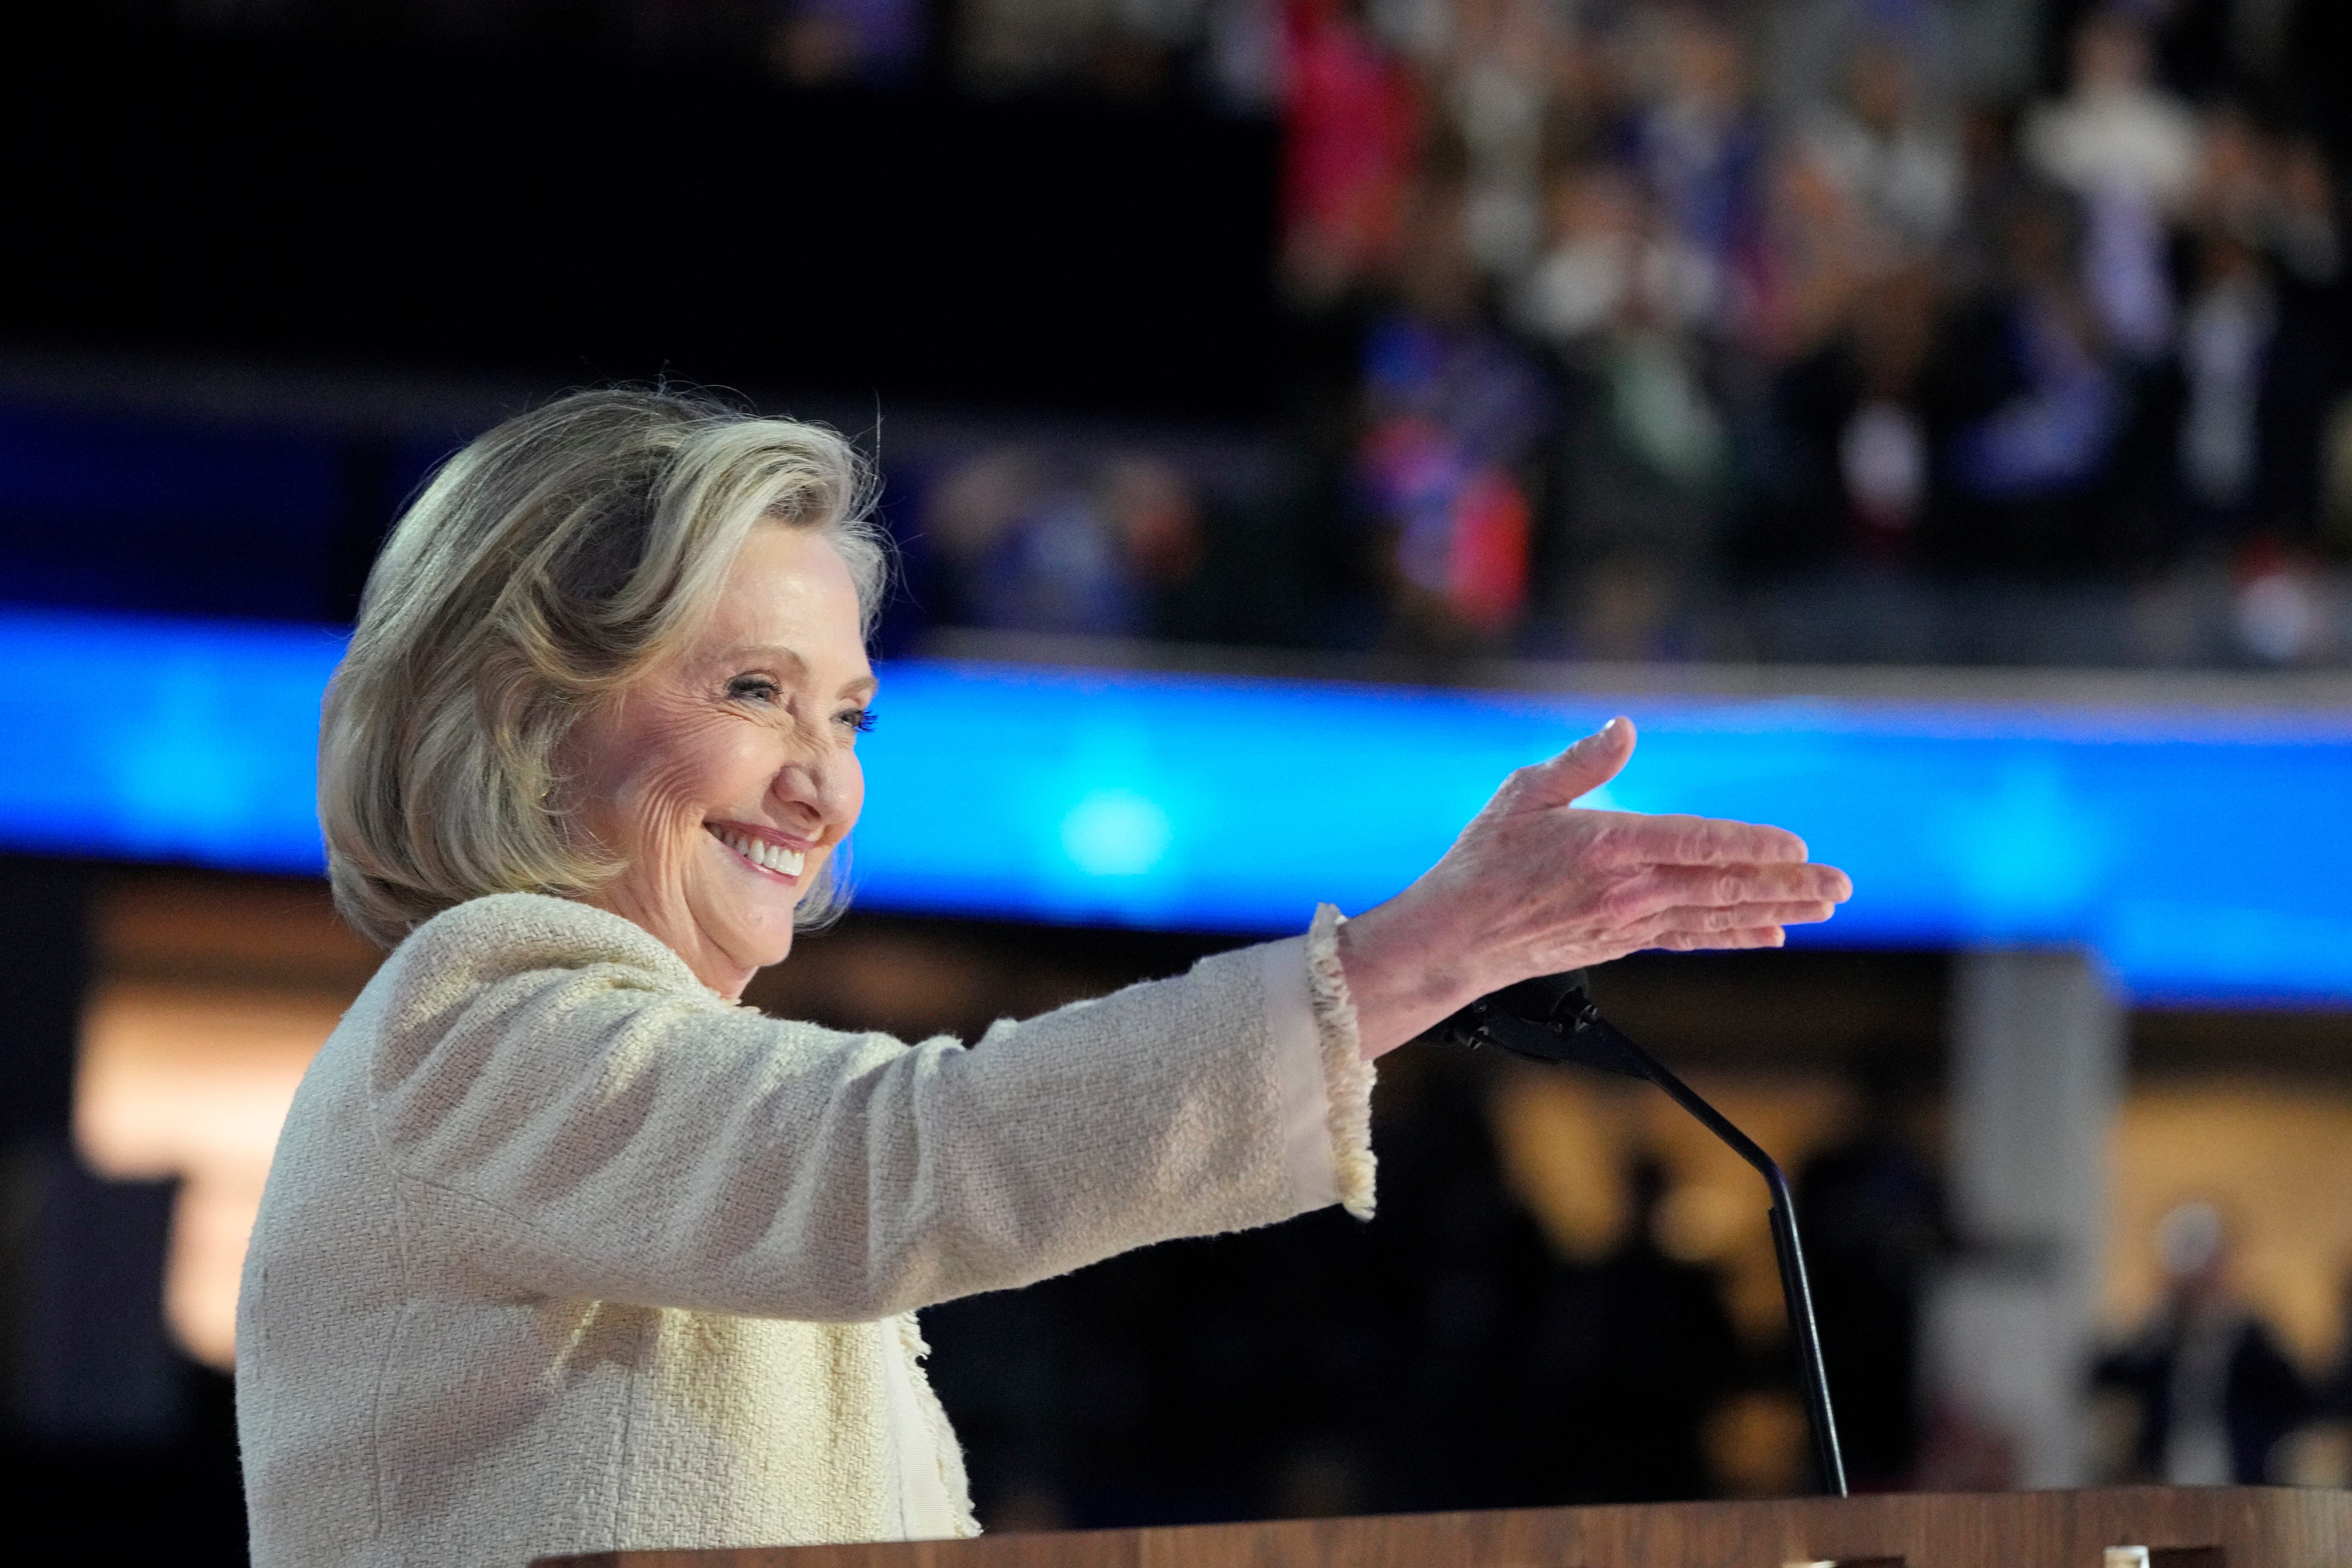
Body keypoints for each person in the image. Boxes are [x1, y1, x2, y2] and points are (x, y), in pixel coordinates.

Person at [235, 387, 1850, 1566]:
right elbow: (907, 1157)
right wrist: (1417, 958)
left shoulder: (660, 1117)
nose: (822, 782)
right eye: (753, 689)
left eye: (847, 715)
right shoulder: (473, 1022)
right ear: (524, 712)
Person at [2095, 1199, 2311, 1484]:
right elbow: (2105, 1377)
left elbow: (2298, 1399)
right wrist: (2157, 1321)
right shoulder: (2161, 1340)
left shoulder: (2252, 1338)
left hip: (2244, 1483)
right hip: (2167, 1480)